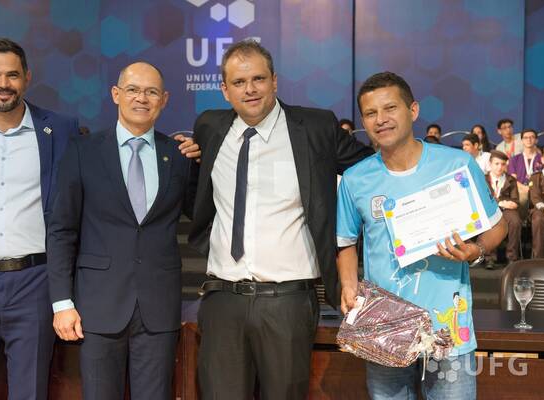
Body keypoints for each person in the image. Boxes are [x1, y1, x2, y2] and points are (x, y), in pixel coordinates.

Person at [188, 39, 373, 400]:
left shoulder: (316, 127)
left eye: (258, 79)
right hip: (222, 300)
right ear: (224, 90)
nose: (250, 89)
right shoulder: (209, 127)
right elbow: (194, 195)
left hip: (287, 302)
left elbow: (371, 170)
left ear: (274, 80)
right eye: (239, 82)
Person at [336, 71, 507, 400]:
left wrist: (476, 250)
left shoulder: (456, 164)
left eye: (390, 108)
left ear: (413, 110)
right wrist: (348, 284)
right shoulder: (355, 179)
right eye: (370, 113)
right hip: (385, 328)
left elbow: (498, 226)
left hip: (448, 328)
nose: (381, 119)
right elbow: (345, 242)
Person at [47, 62, 199, 400]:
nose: (141, 98)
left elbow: (203, 215)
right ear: (116, 94)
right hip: (97, 307)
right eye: (133, 90)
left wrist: (202, 161)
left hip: (158, 308)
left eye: (151, 92)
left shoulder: (178, 156)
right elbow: (62, 231)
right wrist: (62, 302)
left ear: (164, 99)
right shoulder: (83, 151)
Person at [0, 38, 79, 400]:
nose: (3, 84)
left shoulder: (61, 130)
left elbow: (101, 165)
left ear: (27, 78)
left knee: (29, 392)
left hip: (35, 282)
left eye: (13, 75)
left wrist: (176, 147)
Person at [485, 151, 522, 269]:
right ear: (490, 164)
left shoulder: (510, 179)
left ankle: (512, 257)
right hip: (489, 209)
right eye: (496, 164)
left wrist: (511, 204)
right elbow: (482, 199)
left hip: (507, 210)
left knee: (515, 220)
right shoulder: (483, 179)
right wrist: (500, 203)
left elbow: (515, 200)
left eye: (502, 164)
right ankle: (489, 257)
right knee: (489, 219)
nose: (499, 167)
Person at [507, 128, 543, 213]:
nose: (529, 140)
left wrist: (533, 189)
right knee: (522, 198)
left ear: (536, 140)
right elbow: (513, 180)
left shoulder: (543, 159)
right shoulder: (514, 159)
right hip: (521, 190)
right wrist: (525, 189)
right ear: (522, 140)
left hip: (539, 190)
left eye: (532, 137)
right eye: (526, 137)